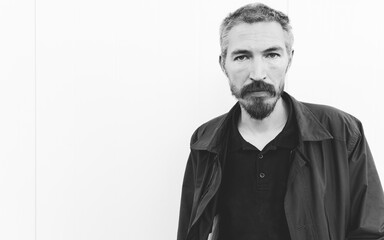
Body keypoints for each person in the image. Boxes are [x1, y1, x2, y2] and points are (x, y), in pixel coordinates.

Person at [177, 3, 384, 240]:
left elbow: (371, 231)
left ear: (289, 59)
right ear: (223, 64)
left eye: (271, 54)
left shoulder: (341, 132)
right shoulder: (205, 140)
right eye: (242, 56)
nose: (257, 73)